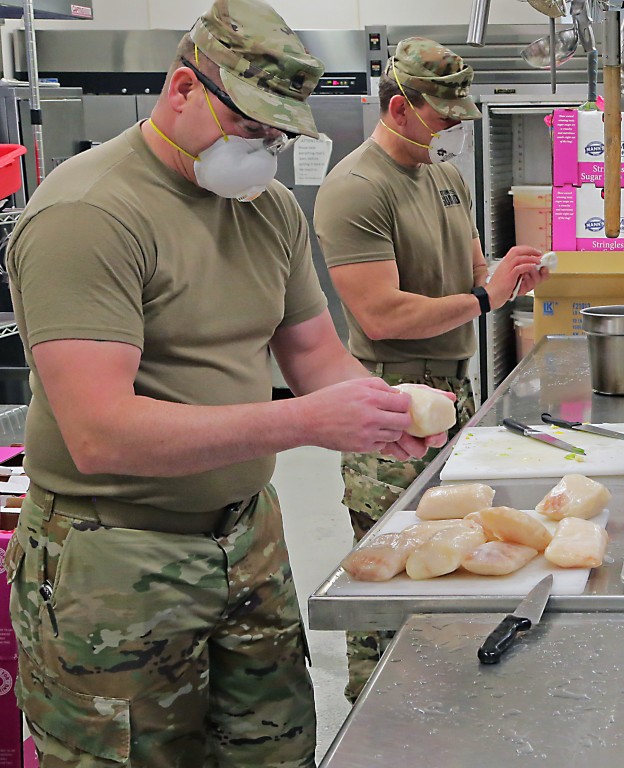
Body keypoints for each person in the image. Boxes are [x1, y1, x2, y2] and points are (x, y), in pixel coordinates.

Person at [2, 1, 453, 764]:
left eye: (279, 136)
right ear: (183, 90)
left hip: (246, 538)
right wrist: (305, 423)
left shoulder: (267, 208)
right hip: (114, 559)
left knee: (271, 752)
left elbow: (312, 352)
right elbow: (99, 432)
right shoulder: (89, 215)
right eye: (250, 128)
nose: (264, 152)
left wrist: (383, 410)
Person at [314, 37, 547, 702]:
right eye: (441, 115)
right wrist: (483, 299)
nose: (451, 127)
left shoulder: (444, 176)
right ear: (398, 105)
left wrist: (510, 276)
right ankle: (375, 710)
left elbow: (476, 270)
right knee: (387, 567)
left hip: (454, 392)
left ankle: (439, 703)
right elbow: (381, 314)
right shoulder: (355, 189)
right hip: (389, 400)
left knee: (447, 554)